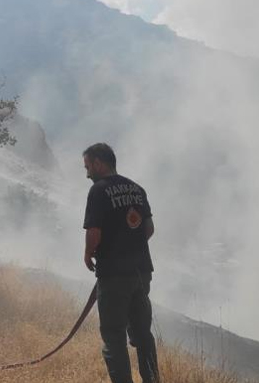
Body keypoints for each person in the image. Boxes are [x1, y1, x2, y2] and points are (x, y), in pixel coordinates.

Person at [82, 143, 159, 383]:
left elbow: (94, 232)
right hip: (140, 273)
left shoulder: (98, 190)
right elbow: (149, 228)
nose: (87, 173)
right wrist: (129, 246)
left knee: (114, 338)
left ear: (98, 163)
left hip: (114, 276)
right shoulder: (137, 189)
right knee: (143, 335)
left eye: (88, 166)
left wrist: (88, 253)